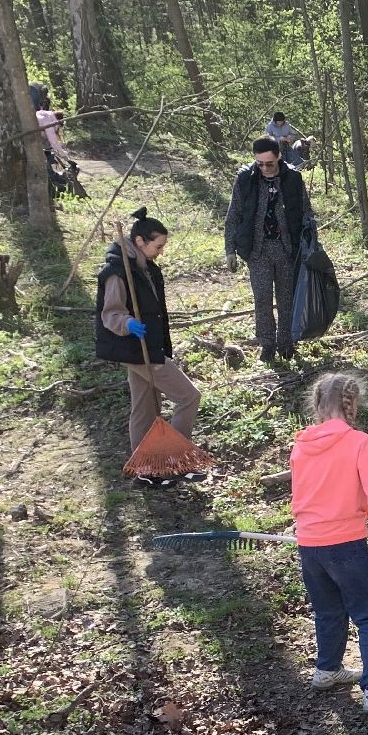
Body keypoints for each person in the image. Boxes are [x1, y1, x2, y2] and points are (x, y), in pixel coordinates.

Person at [291, 372, 368, 714]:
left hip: (309, 543)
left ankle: (327, 669)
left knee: (328, 609)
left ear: (317, 404)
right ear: (352, 402)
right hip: (346, 544)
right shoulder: (360, 442)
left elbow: (304, 494)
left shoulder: (301, 444)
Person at [93, 208, 201, 486]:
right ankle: (176, 462)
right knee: (189, 397)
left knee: (145, 408)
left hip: (149, 345)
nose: (161, 252)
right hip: (136, 349)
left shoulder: (145, 267)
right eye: (158, 246)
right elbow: (110, 314)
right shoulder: (117, 271)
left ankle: (147, 471)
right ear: (140, 241)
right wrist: (127, 323)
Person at [224, 137, 314, 361]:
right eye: (260, 163)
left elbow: (306, 212)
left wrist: (310, 245)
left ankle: (286, 343)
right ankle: (267, 345)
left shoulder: (293, 178)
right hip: (257, 250)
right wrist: (230, 249)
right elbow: (233, 214)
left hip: (287, 249)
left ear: (279, 156)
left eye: (269, 163)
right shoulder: (245, 179)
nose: (264, 168)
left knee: (287, 299)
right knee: (262, 300)